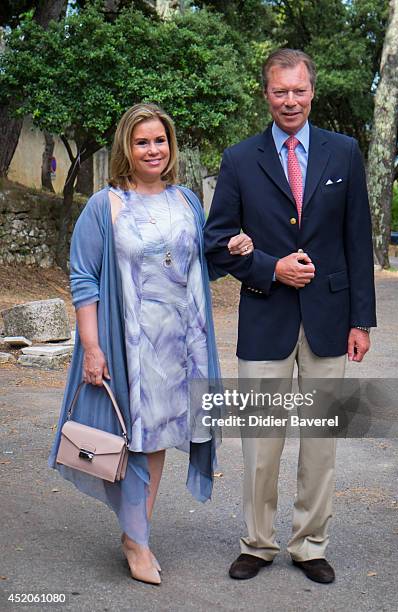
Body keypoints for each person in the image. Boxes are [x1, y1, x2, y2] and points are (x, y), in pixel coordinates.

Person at [48, 103, 253, 585]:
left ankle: (136, 533)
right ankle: (136, 539)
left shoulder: (186, 200)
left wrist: (232, 249)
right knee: (130, 438)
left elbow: (196, 269)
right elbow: (83, 278)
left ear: (170, 146)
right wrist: (93, 348)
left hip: (180, 345)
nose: (153, 149)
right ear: (127, 146)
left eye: (160, 140)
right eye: (143, 141)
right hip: (129, 343)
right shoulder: (106, 205)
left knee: (158, 436)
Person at [204, 49, 376, 584]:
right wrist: (269, 267)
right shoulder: (238, 159)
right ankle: (257, 542)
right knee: (261, 443)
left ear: (312, 91)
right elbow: (215, 245)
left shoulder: (344, 153)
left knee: (320, 442)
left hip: (329, 319)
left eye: (298, 90)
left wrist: (360, 322)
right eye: (280, 91)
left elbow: (356, 239)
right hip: (265, 318)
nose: (290, 100)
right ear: (266, 94)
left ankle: (309, 544)